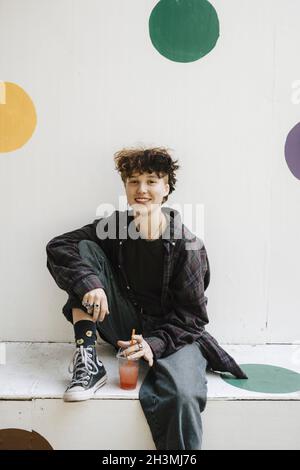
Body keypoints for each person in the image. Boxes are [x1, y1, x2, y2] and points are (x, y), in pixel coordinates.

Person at [46, 147, 247, 450]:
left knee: (182, 395)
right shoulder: (116, 226)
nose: (141, 190)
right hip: (124, 324)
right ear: (125, 186)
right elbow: (60, 245)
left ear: (166, 188)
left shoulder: (187, 245)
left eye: (152, 181)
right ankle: (88, 364)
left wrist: (152, 345)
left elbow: (192, 320)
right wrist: (90, 283)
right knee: (83, 252)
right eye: (133, 181)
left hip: (174, 333)